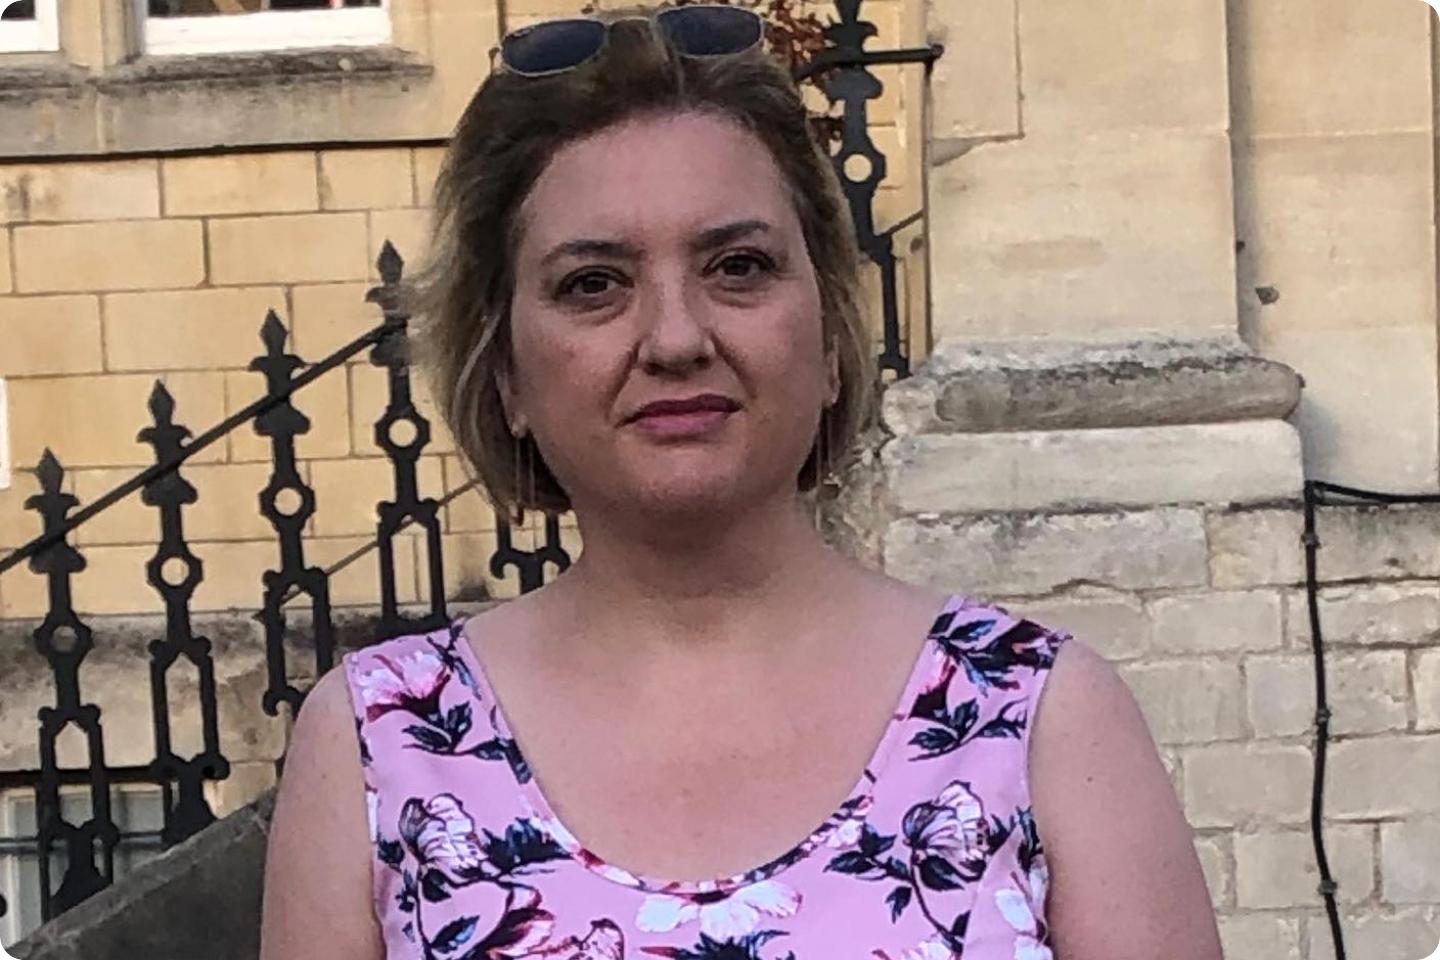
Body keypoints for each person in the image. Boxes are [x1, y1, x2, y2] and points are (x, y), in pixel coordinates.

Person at [259, 6, 1223, 958]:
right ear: (507, 372)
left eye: (738, 266)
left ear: (833, 338)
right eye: (594, 283)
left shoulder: (1037, 717)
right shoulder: (381, 743)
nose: (676, 338)